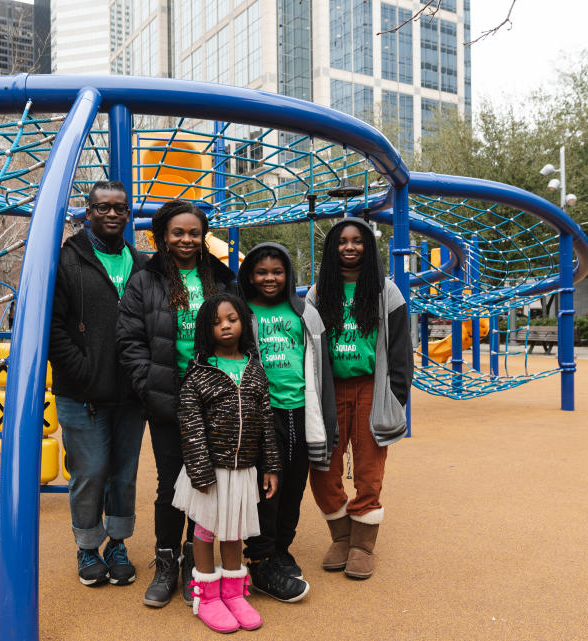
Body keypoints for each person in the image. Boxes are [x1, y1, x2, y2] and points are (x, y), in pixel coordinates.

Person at [117, 199, 238, 607]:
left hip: (214, 398)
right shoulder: (145, 280)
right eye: (178, 232)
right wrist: (149, 386)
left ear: (203, 236)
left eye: (194, 233)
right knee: (170, 482)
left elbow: (240, 332)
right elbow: (130, 340)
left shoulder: (220, 279)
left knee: (206, 481)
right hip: (168, 398)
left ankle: (194, 560)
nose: (187, 240)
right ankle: (166, 559)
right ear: (163, 236)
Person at [48, 180, 147, 587]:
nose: (111, 214)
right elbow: (52, 328)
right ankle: (88, 545)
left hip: (131, 392)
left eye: (119, 208)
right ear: (87, 212)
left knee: (124, 473)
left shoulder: (141, 263)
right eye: (102, 207)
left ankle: (118, 543)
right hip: (83, 392)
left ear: (128, 215)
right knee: (89, 470)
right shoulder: (67, 261)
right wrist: (84, 371)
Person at [306, 219, 413, 580]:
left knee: (369, 467)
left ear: (368, 247)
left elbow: (401, 350)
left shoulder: (387, 292)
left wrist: (396, 396)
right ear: (331, 248)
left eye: (357, 241)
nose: (349, 247)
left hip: (371, 386)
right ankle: (342, 535)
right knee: (323, 465)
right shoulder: (319, 293)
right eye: (342, 241)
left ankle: (363, 543)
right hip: (329, 389)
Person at [173, 293, 280, 633]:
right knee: (204, 530)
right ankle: (207, 594)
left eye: (232, 319)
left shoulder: (254, 368)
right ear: (206, 329)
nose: (225, 326)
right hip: (209, 470)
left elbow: (265, 419)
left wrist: (271, 466)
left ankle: (233, 594)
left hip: (245, 469)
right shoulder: (199, 374)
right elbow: (190, 426)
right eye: (217, 322)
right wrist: (200, 471)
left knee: (233, 529)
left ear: (242, 323)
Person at [236, 242, 337, 602]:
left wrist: (327, 418)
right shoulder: (240, 311)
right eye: (261, 272)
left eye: (277, 272)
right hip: (262, 413)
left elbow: (321, 367)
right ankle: (260, 555)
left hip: (299, 410)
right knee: (267, 489)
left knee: (294, 485)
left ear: (288, 275)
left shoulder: (305, 312)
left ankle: (281, 548)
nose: (269, 278)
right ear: (249, 275)